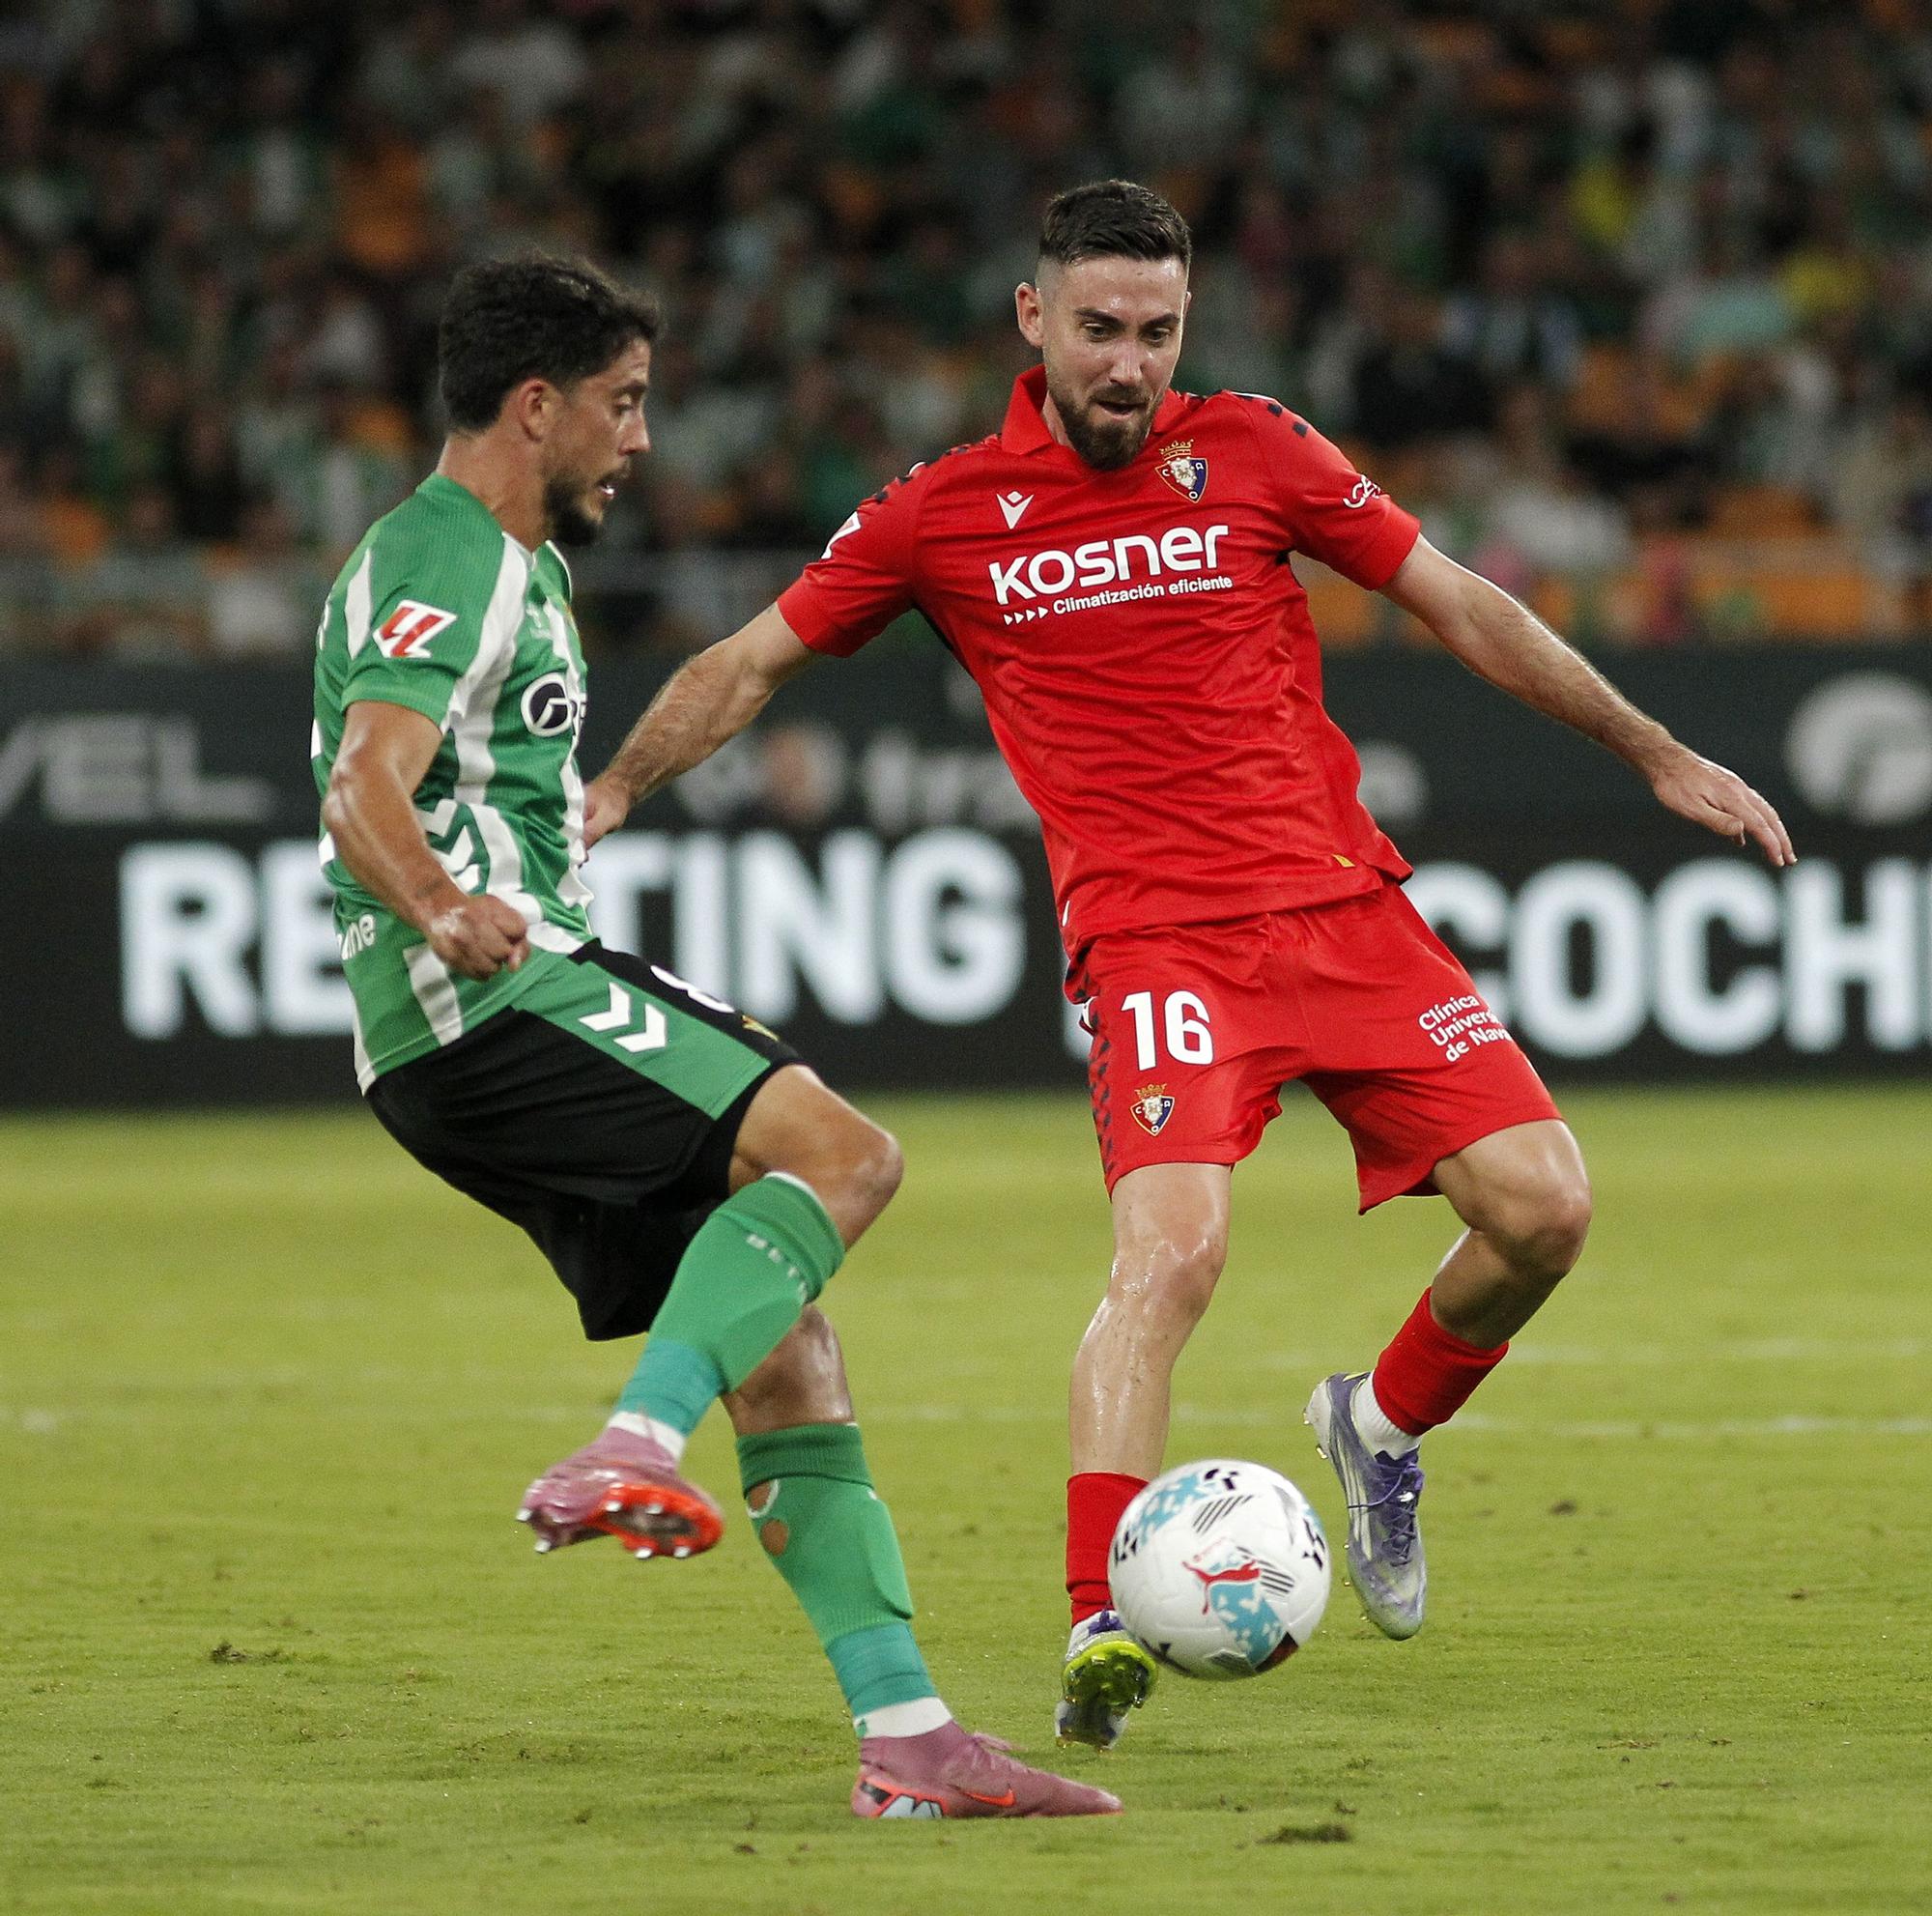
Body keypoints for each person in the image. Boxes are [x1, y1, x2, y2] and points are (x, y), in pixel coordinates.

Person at [575, 182, 1797, 1752]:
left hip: (1346, 912)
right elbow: (748, 662)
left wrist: (1653, 748)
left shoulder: (1260, 450)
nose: (1129, 363)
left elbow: (1457, 602)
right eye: (1099, 328)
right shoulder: (943, 512)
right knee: (1173, 1260)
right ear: (1033, 318)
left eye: (1157, 331)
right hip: (1158, 943)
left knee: (1547, 1210)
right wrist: (620, 786)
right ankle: (1100, 1618)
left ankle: (1380, 1426)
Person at [311, 254, 1117, 1820]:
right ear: (533, 406)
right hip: (489, 999)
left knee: (787, 1349)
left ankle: (910, 1741)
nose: (640, 439)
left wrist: (575, 818)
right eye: (620, 404)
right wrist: (440, 905)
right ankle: (631, 1444)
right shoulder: (451, 554)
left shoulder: (517, 566)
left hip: (464, 1025)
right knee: (846, 1157)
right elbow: (363, 782)